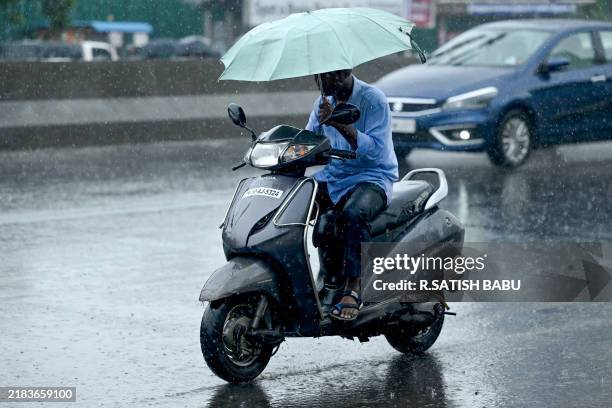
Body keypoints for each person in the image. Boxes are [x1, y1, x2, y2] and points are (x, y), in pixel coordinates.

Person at [305, 69, 398, 320]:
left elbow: (376, 152)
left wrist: (336, 121)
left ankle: (353, 287)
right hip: (334, 176)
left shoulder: (373, 100)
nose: (322, 85)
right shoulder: (323, 103)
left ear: (343, 73)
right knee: (298, 203)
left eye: (325, 79)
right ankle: (327, 279)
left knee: (352, 214)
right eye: (318, 80)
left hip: (372, 177)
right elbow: (311, 140)